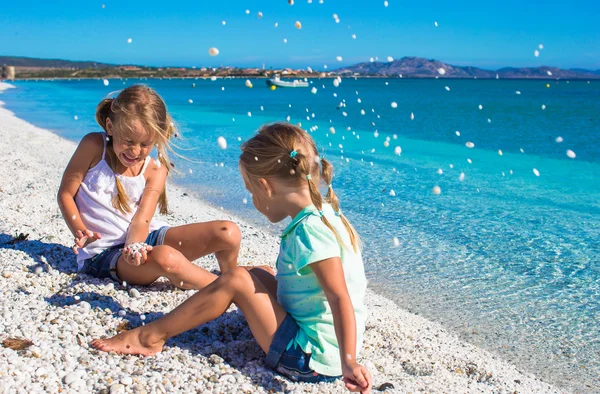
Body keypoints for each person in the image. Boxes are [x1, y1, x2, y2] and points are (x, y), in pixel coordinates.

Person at [91, 123, 372, 393]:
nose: (253, 201)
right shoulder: (326, 214)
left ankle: (149, 337)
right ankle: (217, 292)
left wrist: (348, 362)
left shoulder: (309, 233)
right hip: (328, 344)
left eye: (251, 192)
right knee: (254, 275)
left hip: (308, 360)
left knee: (237, 279)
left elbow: (339, 297)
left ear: (266, 187)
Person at [57, 85, 242, 290]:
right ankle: (231, 288)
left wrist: (134, 247)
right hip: (104, 255)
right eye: (128, 140)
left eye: (145, 144)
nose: (135, 151)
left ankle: (231, 272)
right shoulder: (93, 146)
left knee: (228, 231)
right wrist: (80, 230)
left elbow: (142, 220)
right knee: (166, 258)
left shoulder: (155, 169)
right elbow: (66, 194)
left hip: (142, 240)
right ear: (110, 127)